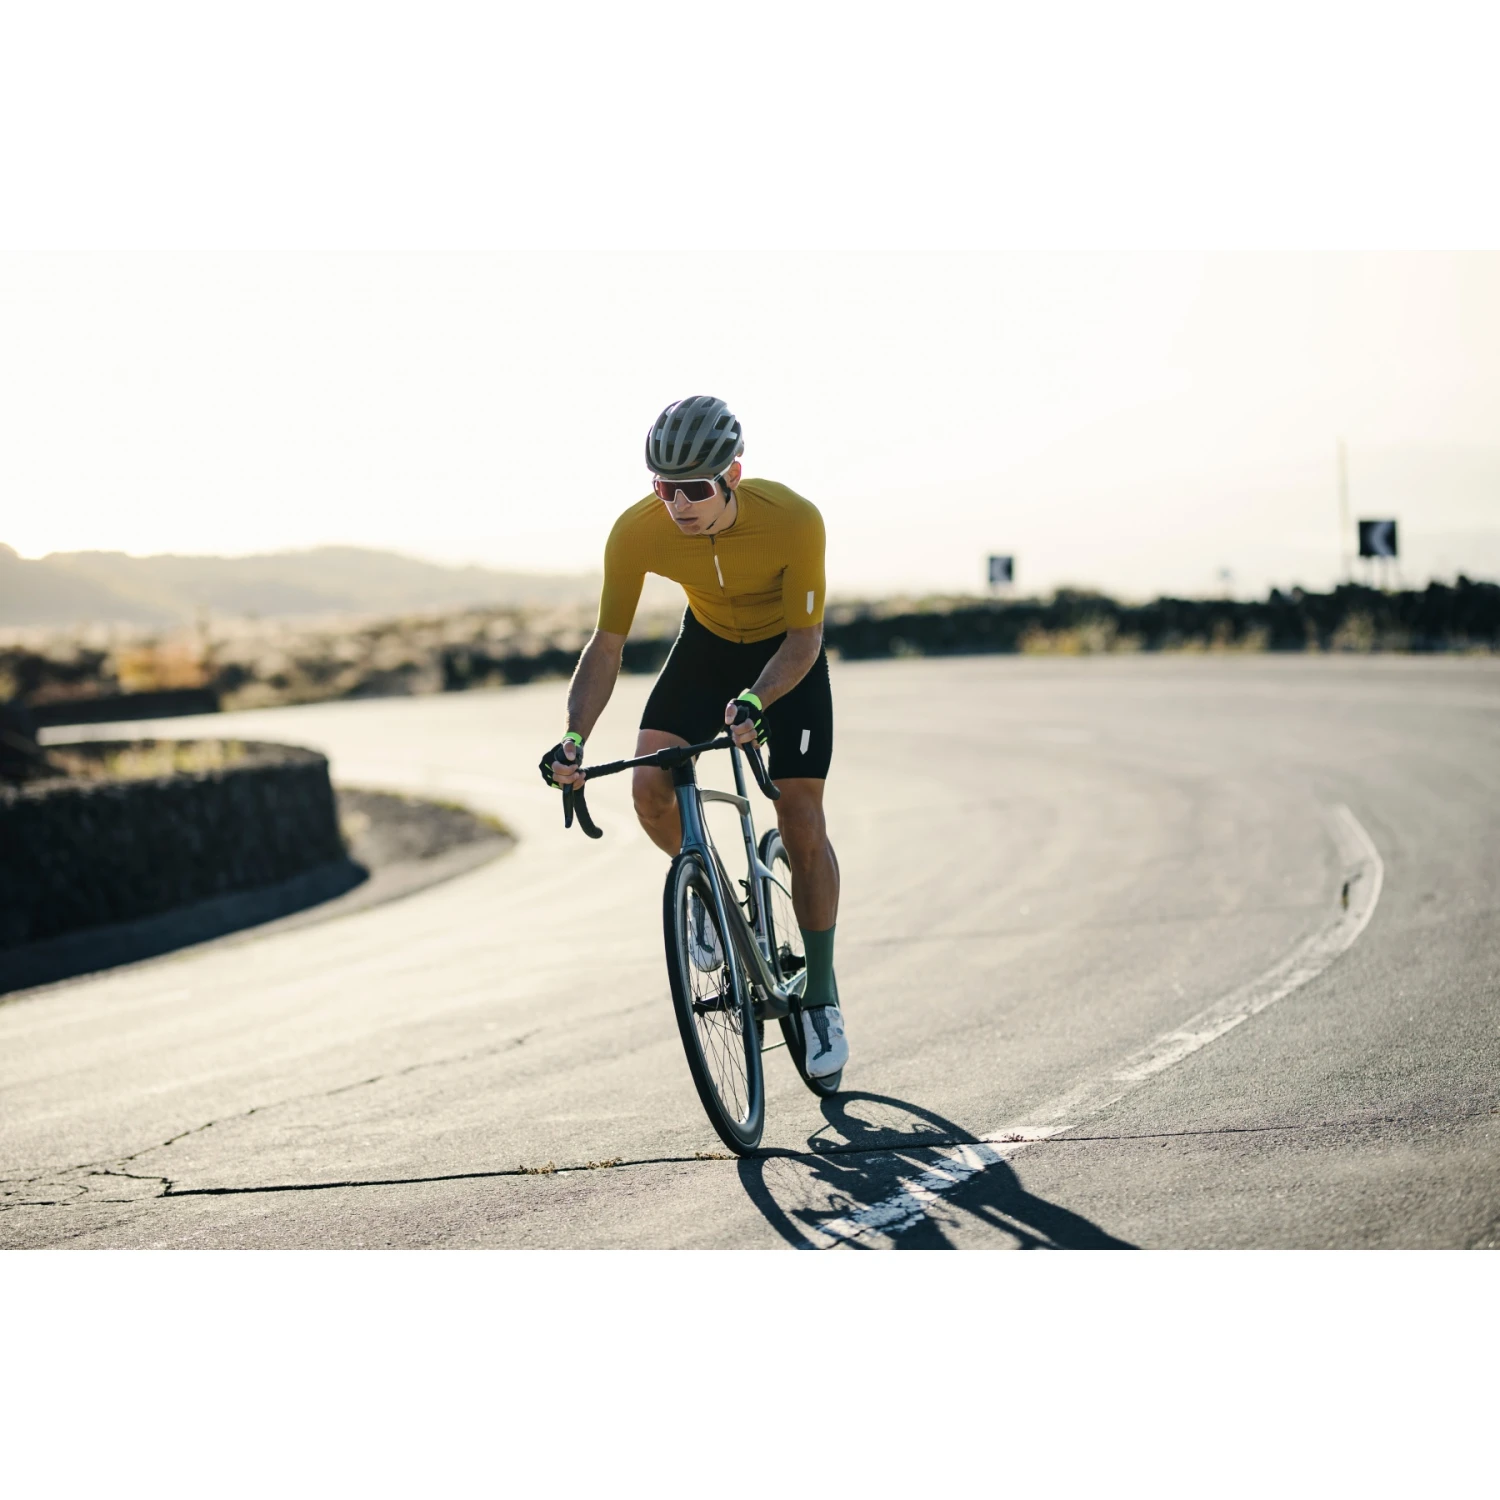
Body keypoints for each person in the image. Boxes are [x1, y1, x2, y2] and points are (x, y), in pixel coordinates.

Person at [539, 395, 847, 1077]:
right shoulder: (636, 531)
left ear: (732, 475)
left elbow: (805, 640)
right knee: (649, 788)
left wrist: (757, 700)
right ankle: (708, 895)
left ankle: (821, 995)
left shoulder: (793, 519)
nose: (678, 504)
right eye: (664, 488)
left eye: (695, 489)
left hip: (784, 659)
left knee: (800, 817)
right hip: (707, 648)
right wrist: (574, 738)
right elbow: (606, 645)